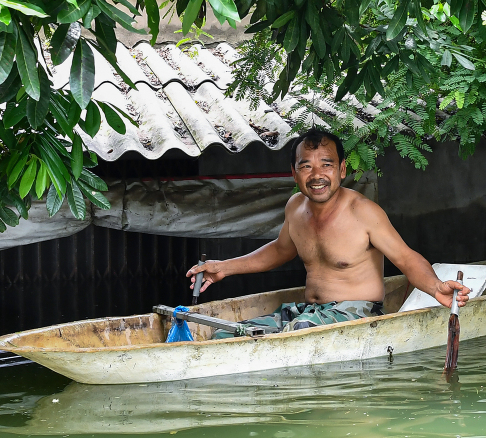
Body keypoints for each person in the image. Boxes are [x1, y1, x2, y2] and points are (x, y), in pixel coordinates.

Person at [186, 128, 469, 337]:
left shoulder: (364, 212)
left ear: (342, 169)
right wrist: (223, 268)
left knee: (294, 333)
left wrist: (436, 288)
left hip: (355, 315)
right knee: (229, 333)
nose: (317, 174)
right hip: (309, 313)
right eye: (306, 166)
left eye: (327, 164)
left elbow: (406, 259)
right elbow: (280, 250)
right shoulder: (295, 207)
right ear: (294, 174)